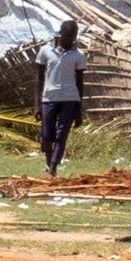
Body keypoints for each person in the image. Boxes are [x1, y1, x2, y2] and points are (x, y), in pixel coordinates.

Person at [38, 16, 85, 175]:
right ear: (61, 34)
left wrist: (79, 111)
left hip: (70, 98)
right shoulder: (45, 51)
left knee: (62, 134)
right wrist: (37, 104)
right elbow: (39, 79)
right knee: (46, 134)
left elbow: (80, 83)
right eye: (68, 36)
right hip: (49, 97)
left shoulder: (78, 55)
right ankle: (48, 160)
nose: (70, 39)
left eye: (73, 36)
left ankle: (53, 166)